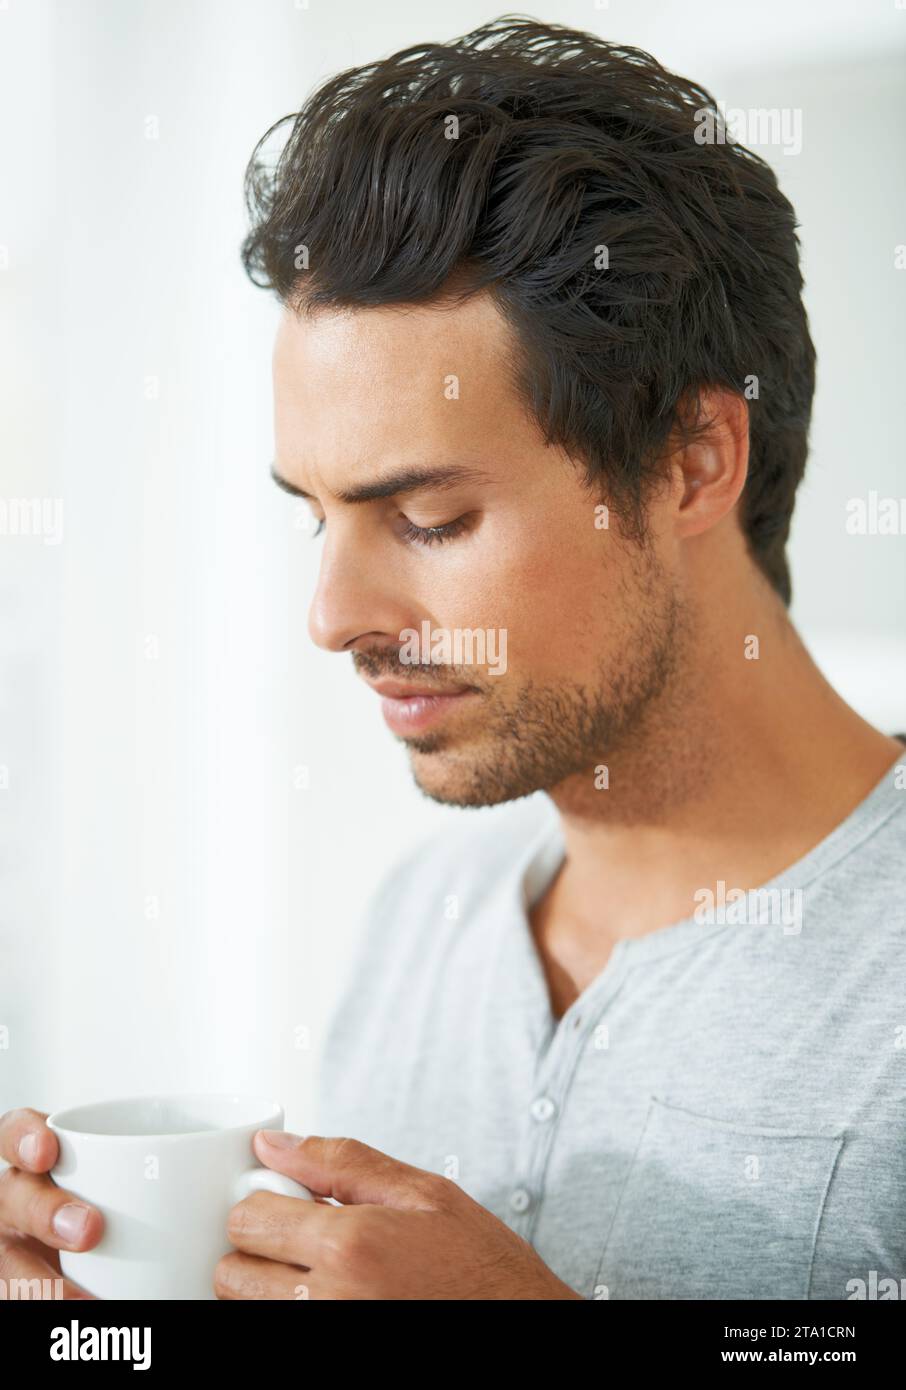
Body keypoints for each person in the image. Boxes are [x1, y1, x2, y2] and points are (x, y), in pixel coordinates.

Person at [3, 16, 903, 1300]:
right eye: (318, 517)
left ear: (693, 461)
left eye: (427, 520)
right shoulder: (419, 928)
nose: (332, 615)